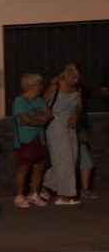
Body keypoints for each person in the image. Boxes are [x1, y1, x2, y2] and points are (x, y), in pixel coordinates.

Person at [42, 65, 83, 204]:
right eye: (73, 77)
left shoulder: (77, 89)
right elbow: (43, 103)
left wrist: (76, 115)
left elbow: (79, 106)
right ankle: (65, 194)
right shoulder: (56, 87)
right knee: (64, 159)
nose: (76, 80)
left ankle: (47, 185)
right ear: (66, 75)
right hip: (56, 124)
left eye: (77, 78)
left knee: (73, 157)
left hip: (70, 124)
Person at [11, 73, 53, 208]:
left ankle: (34, 193)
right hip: (25, 139)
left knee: (39, 166)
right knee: (24, 167)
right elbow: (26, 120)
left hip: (40, 138)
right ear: (31, 85)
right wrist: (40, 120)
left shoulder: (40, 100)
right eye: (39, 84)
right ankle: (19, 195)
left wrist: (37, 120)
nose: (42, 87)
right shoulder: (20, 101)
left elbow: (48, 115)